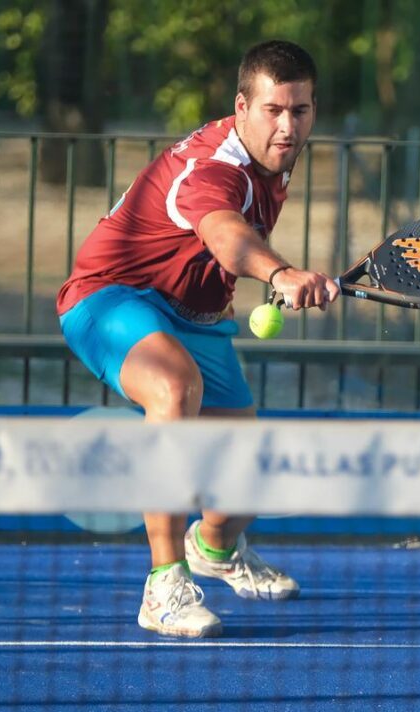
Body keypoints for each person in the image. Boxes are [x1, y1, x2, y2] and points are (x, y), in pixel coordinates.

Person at [56, 40, 339, 638]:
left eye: (301, 111)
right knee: (172, 387)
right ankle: (164, 584)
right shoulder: (212, 170)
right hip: (112, 297)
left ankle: (214, 549)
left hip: (199, 317)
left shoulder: (276, 156)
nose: (288, 127)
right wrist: (280, 273)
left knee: (246, 482)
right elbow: (224, 234)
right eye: (273, 111)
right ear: (241, 107)